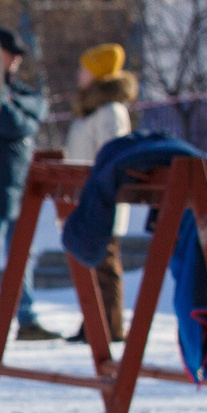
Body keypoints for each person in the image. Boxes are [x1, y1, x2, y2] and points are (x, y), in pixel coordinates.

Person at [0, 27, 58, 341]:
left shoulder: (18, 90)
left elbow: (36, 109)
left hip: (21, 185)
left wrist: (20, 116)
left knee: (21, 255)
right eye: (7, 53)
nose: (13, 61)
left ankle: (26, 317)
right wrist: (22, 118)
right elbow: (10, 121)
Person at [63, 43, 138, 343]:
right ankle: (94, 322)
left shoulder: (110, 111)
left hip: (102, 198)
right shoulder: (92, 109)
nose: (79, 74)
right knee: (90, 263)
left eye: (85, 69)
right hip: (85, 197)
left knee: (104, 264)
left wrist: (102, 189)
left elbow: (113, 154)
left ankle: (109, 325)